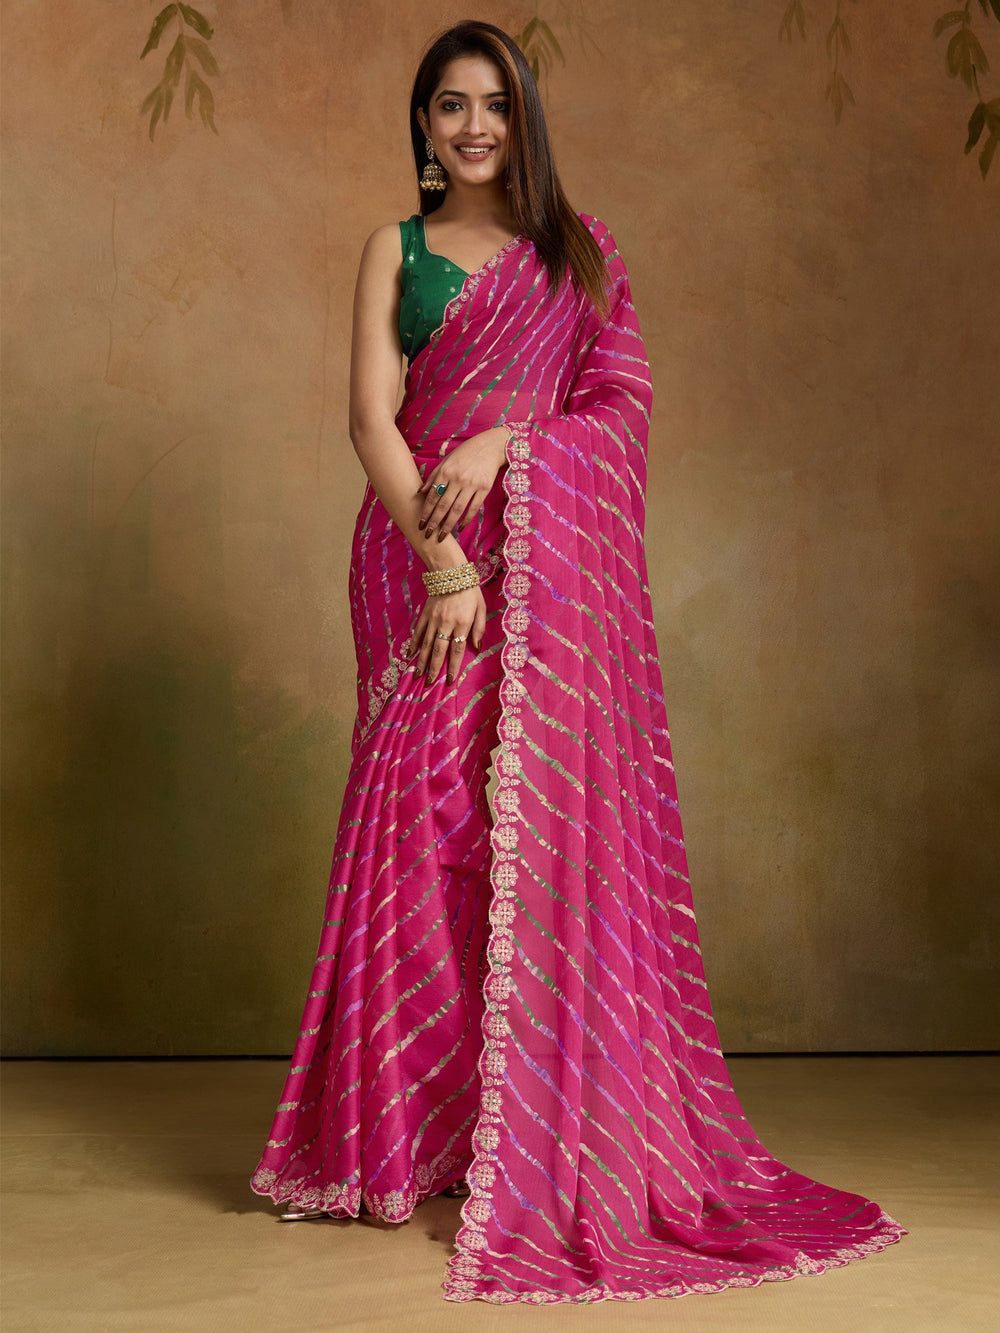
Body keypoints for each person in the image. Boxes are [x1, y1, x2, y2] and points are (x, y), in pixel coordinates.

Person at [251, 19, 906, 1304]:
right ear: (423, 122)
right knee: (417, 826)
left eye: (495, 104)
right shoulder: (397, 248)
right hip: (418, 557)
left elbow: (620, 409)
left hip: (547, 567)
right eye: (451, 105)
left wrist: (508, 445)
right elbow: (369, 418)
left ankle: (517, 1125)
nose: (474, 127)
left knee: (527, 836)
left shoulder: (579, 254)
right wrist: (445, 563)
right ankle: (401, 1137)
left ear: (524, 118)